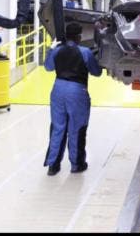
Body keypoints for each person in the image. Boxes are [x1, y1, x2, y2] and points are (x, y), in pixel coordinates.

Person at [43, 22, 102, 176]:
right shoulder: (85, 52)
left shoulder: (57, 50)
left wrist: (51, 49)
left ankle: (53, 166)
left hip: (58, 89)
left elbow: (48, 67)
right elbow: (97, 72)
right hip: (76, 91)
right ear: (79, 37)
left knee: (57, 127)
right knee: (76, 128)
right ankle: (77, 165)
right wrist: (96, 58)